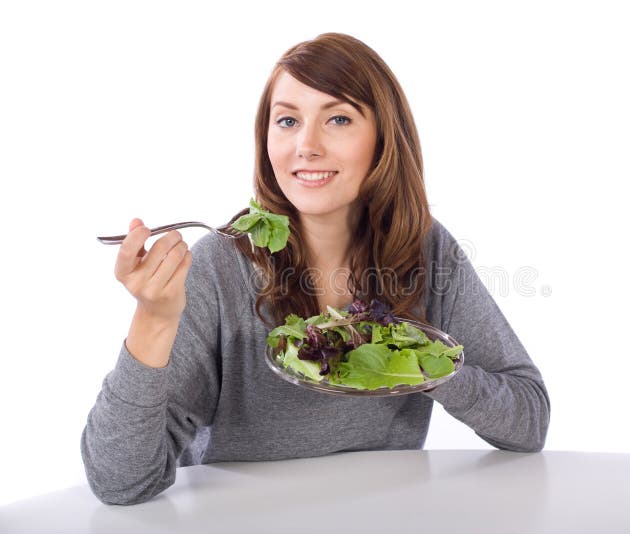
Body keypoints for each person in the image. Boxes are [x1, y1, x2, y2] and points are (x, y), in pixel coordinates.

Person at [81, 32, 550, 505]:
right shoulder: (220, 266)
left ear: (384, 138)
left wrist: (422, 363)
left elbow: (529, 420)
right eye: (287, 120)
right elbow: (122, 481)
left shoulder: (423, 249)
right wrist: (154, 319)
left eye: (338, 119)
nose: (306, 146)